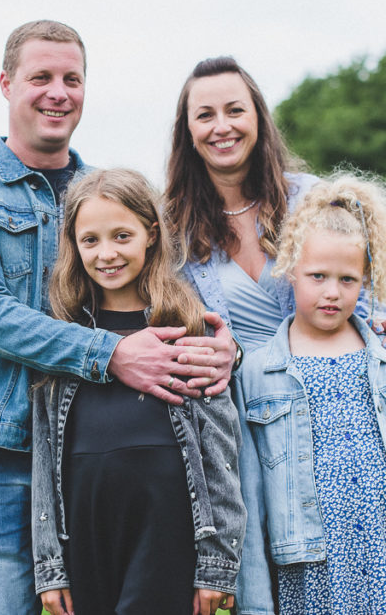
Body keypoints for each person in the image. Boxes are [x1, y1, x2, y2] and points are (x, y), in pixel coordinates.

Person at [0, 21, 237, 614]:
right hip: (6, 449)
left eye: (72, 78)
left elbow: (177, 296)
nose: (58, 92)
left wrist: (225, 349)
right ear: (5, 83)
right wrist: (112, 354)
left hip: (105, 455)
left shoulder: (110, 195)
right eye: (40, 77)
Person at [235, 172, 386, 614]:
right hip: (316, 565)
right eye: (317, 276)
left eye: (347, 279)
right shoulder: (257, 371)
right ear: (289, 270)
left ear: (366, 280)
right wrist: (255, 604)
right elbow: (250, 497)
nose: (331, 292)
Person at [31, 169, 247, 615]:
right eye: (90, 240)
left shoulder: (188, 328)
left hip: (167, 528)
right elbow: (43, 457)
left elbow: (220, 455)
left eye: (122, 236)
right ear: (73, 244)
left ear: (151, 235)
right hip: (86, 532)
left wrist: (216, 564)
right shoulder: (62, 338)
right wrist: (50, 565)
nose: (106, 253)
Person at [165, 56, 386, 355]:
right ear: (188, 131)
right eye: (205, 115)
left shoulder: (311, 199)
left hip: (322, 379)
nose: (222, 126)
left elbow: (359, 285)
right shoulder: (172, 228)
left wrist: (383, 321)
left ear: (258, 117)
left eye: (235, 111)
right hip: (237, 395)